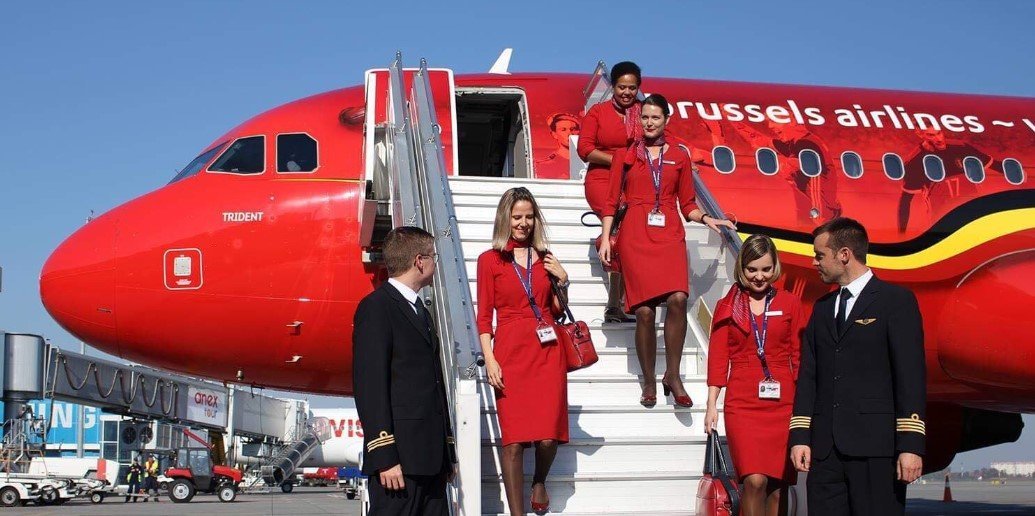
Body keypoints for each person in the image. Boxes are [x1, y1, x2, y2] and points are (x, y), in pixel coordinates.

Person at [598, 94, 737, 408]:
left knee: (678, 298)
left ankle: (673, 376)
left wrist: (708, 218)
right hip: (635, 234)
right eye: (645, 117)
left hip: (670, 232)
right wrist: (606, 238)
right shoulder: (626, 155)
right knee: (645, 312)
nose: (649, 123)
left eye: (655, 118)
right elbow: (611, 201)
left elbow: (687, 203)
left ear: (666, 120)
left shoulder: (679, 156)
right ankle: (649, 380)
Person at [789, 217, 926, 515]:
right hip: (825, 452)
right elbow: (809, 376)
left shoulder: (895, 302)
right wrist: (800, 436)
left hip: (876, 449)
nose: (814, 262)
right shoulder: (822, 309)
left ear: (844, 254)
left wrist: (911, 445)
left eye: (820, 255)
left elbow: (910, 377)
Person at [477, 187, 570, 515]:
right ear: (505, 218)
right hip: (510, 353)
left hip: (547, 352)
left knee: (548, 438)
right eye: (517, 217)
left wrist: (563, 280)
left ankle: (540, 479)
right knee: (514, 442)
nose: (523, 223)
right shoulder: (489, 260)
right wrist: (490, 359)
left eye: (529, 217)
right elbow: (484, 316)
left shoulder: (545, 257)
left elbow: (556, 309)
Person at [353, 226, 457, 515]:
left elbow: (434, 384)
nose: (436, 264)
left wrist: (447, 452)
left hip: (431, 460)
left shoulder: (420, 311)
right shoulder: (377, 308)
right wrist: (384, 455)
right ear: (419, 261)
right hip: (399, 461)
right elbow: (370, 386)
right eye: (433, 257)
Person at [705, 234, 805, 516]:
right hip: (742, 402)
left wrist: (805, 408)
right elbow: (718, 357)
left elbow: (800, 356)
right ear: (741, 268)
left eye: (766, 269)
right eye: (752, 270)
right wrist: (711, 404)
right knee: (754, 481)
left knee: (777, 486)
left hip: (784, 403)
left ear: (775, 267)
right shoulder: (728, 305)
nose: (759, 277)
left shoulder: (790, 302)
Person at [577, 60, 643, 323]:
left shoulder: (643, 113)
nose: (627, 93)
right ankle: (617, 302)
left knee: (628, 234)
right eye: (621, 87)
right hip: (602, 179)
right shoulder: (598, 112)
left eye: (632, 88)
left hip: (633, 180)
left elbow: (662, 139)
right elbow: (585, 149)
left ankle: (617, 304)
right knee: (620, 224)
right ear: (613, 86)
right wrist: (618, 160)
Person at [729, 119, 842, 223]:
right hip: (827, 206)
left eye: (774, 120)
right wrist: (735, 122)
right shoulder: (799, 142)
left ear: (793, 121)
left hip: (822, 209)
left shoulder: (805, 145)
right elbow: (762, 141)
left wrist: (819, 213)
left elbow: (788, 170)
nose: (770, 126)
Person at [896, 128, 1001, 232]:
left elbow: (995, 165)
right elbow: (905, 201)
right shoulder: (915, 161)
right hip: (942, 221)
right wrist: (902, 233)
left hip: (973, 215)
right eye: (931, 135)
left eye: (939, 133)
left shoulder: (961, 147)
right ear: (920, 134)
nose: (939, 139)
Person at [535, 113, 580, 179]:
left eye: (573, 129)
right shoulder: (544, 165)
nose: (569, 134)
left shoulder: (588, 161)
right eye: (563, 130)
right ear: (554, 134)